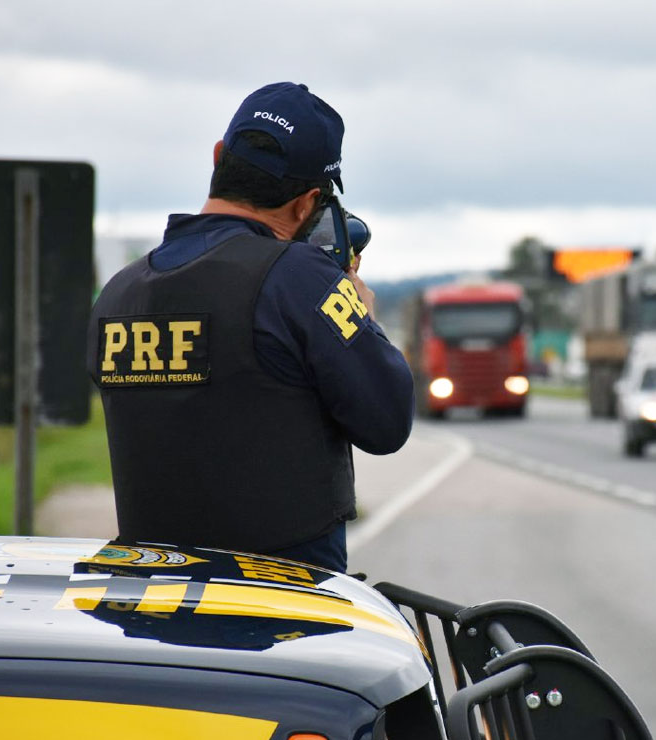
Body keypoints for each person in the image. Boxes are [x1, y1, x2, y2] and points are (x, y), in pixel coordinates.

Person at [87, 82, 414, 574]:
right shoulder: (300, 279)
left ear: (219, 156)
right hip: (280, 604)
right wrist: (362, 315)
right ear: (306, 204)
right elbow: (387, 421)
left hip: (149, 600)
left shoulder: (119, 294)